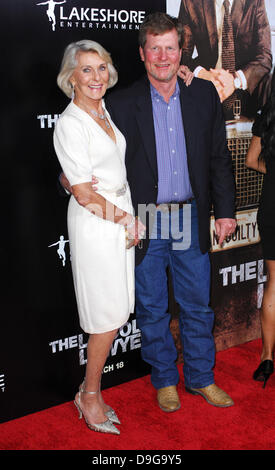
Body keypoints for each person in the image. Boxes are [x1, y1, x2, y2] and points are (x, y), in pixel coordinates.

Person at [61, 12, 237, 412]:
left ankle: (201, 378)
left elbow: (219, 158)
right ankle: (164, 381)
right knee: (153, 307)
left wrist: (225, 211)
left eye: (170, 48)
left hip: (190, 216)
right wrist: (68, 180)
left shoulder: (203, 94)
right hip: (144, 218)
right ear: (142, 53)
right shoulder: (120, 103)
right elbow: (87, 154)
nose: (162, 56)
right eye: (154, 48)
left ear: (181, 52)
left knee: (197, 304)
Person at [53, 39, 145, 435]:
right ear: (70, 77)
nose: (95, 76)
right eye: (86, 69)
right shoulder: (70, 122)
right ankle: (88, 395)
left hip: (116, 218)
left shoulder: (104, 109)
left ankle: (91, 391)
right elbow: (85, 193)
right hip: (97, 223)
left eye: (101, 67)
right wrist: (128, 219)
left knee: (117, 309)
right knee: (105, 317)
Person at [178, 0, 272, 120]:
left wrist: (234, 80)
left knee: (270, 82)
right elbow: (181, 53)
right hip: (206, 84)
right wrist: (203, 75)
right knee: (179, 77)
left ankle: (258, 135)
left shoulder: (255, 2)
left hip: (244, 88)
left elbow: (264, 56)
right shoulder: (191, 2)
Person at [245, 72, 275, 388]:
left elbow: (252, 160)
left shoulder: (267, 114)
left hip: (271, 207)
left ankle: (267, 358)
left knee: (273, 286)